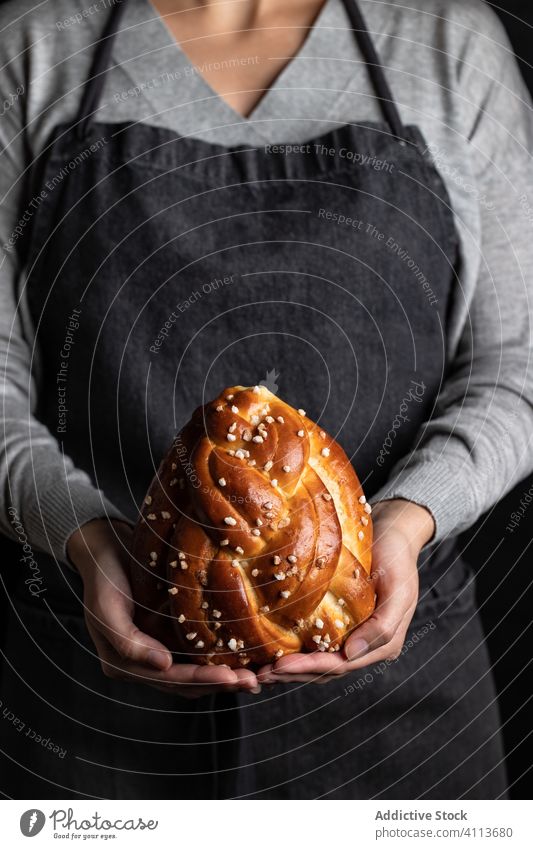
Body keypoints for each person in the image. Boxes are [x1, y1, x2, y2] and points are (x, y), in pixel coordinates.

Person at [0, 0, 532, 800]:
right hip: (94, 704)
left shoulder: (444, 43)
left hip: (402, 720)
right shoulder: (34, 44)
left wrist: (406, 520)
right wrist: (85, 540)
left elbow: (514, 367)